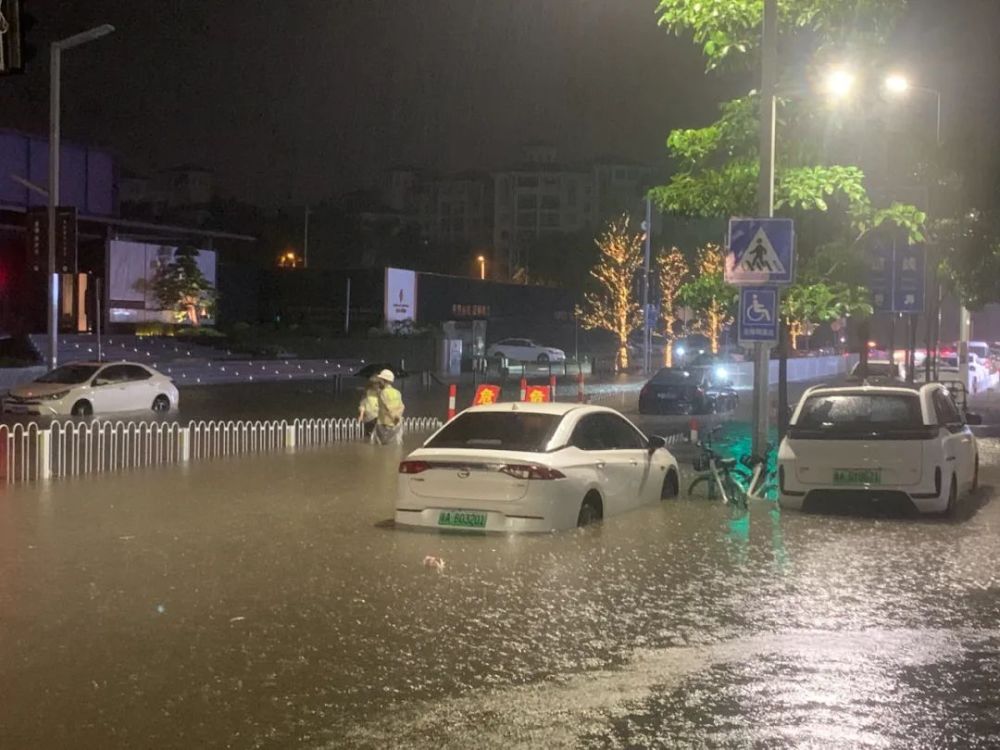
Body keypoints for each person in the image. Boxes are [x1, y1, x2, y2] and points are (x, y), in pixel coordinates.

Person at [372, 369, 405, 445]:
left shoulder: (383, 393)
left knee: (380, 451)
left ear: (384, 381)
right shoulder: (397, 392)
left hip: (384, 426)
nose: (379, 382)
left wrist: (394, 417)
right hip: (397, 425)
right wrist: (397, 418)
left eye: (380, 380)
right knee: (395, 449)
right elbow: (402, 406)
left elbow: (388, 408)